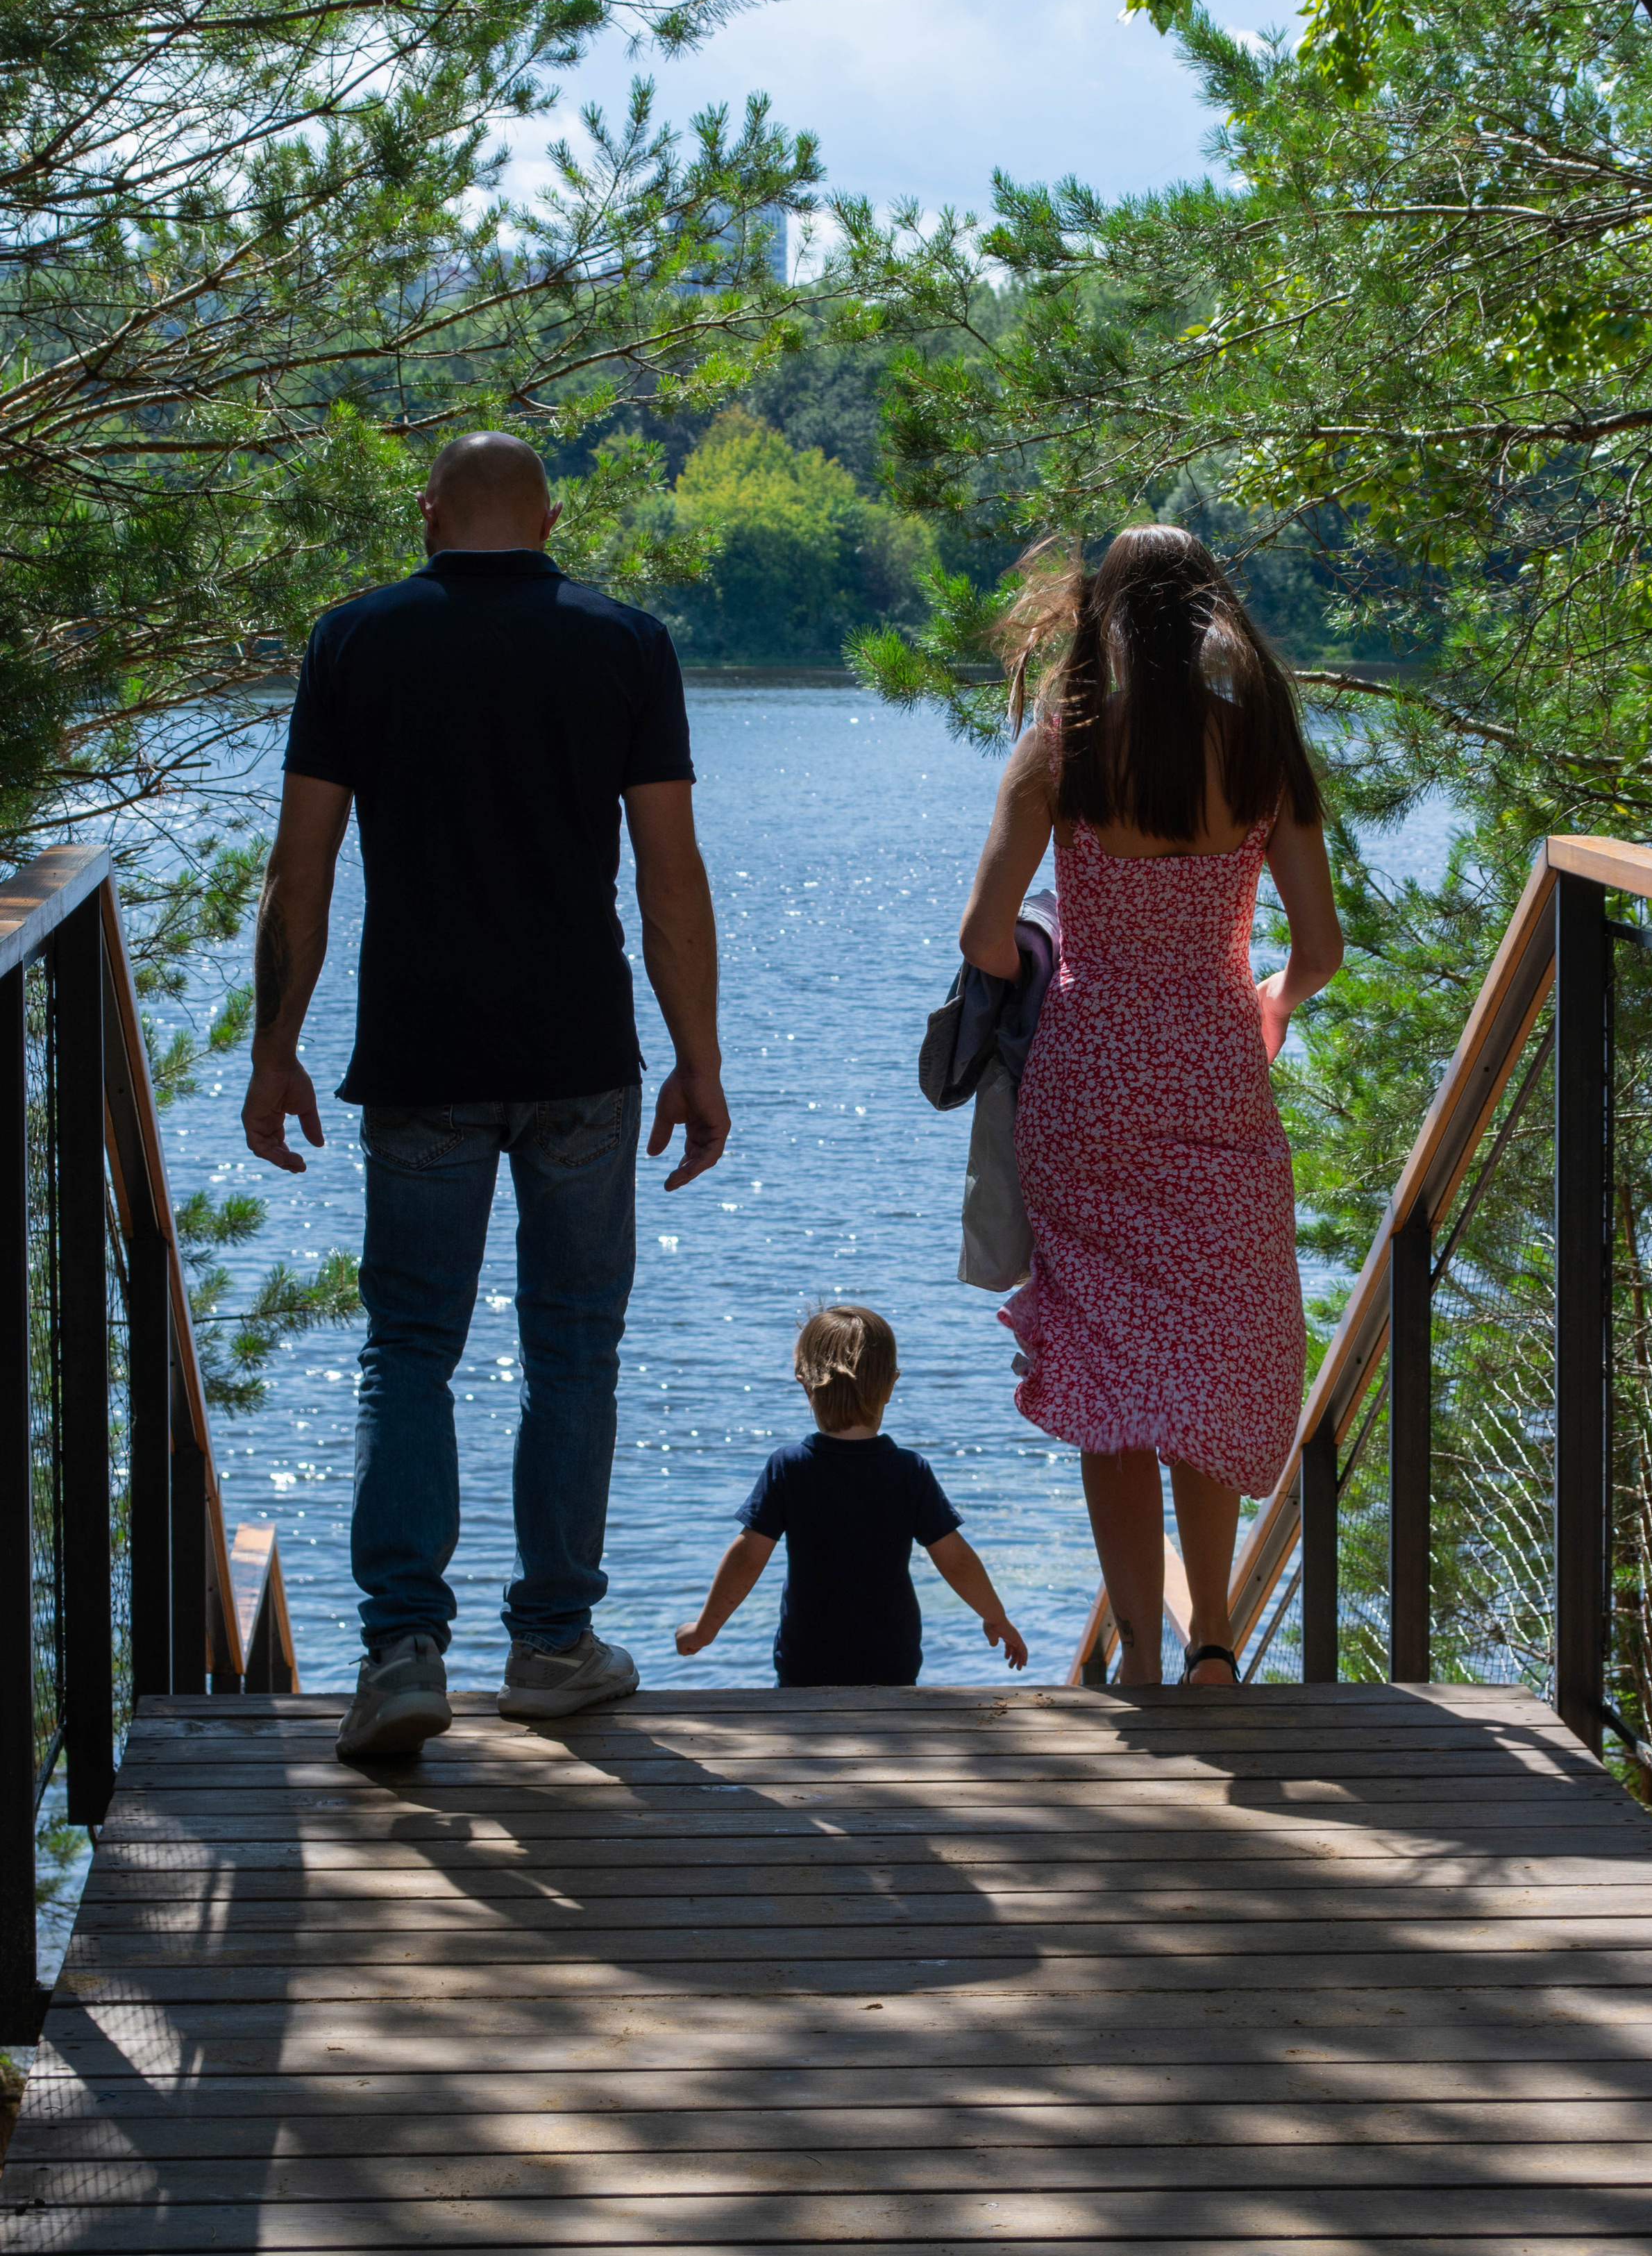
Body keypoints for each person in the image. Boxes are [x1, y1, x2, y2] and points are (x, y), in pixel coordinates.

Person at [242, 431, 731, 1760]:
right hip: (583, 1053)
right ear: (550, 520)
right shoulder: (627, 644)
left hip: (419, 1054)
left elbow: (302, 871)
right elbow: (669, 875)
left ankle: (404, 1649)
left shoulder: (355, 641)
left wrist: (272, 1046)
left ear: (427, 515)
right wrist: (701, 1056)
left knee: (409, 1349)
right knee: (575, 1348)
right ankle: (554, 1645)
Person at [959, 528, 1342, 1687]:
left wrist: (1045, 967)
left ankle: (1135, 1649)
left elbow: (983, 939)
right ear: (1211, 611)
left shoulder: (1065, 748)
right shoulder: (1263, 749)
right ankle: (1214, 1639)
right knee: (1208, 1354)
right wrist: (1263, 1008)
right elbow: (1317, 951)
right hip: (1218, 1074)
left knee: (1107, 1362)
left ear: (1106, 619)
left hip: (1087, 1084)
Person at [675, 1304, 1029, 1683]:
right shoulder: (909, 1471)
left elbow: (747, 1558)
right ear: (892, 1386)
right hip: (891, 1659)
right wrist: (996, 1617)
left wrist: (705, 1629)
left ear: (804, 1382)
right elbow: (956, 1560)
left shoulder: (789, 1468)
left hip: (807, 1660)